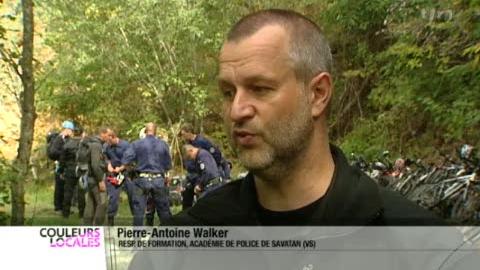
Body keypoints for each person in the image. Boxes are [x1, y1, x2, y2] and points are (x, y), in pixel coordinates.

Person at [167, 9, 442, 226]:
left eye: (260, 89)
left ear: (318, 94)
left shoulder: (422, 248)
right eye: (228, 92)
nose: (237, 110)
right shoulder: (183, 245)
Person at [117, 122, 172, 226]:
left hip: (141, 180)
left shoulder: (136, 144)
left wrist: (130, 167)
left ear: (145, 131)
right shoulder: (163, 144)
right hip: (158, 180)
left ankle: (137, 239)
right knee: (163, 210)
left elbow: (126, 160)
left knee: (138, 211)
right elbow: (168, 164)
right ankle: (168, 237)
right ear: (156, 131)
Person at [104, 129, 134, 226]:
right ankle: (110, 219)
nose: (107, 143)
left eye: (108, 140)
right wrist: (108, 165)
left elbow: (130, 159)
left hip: (126, 174)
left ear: (113, 137)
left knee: (132, 196)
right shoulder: (107, 146)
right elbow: (106, 157)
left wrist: (121, 168)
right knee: (113, 197)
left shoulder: (126, 145)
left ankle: (137, 219)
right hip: (114, 175)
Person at [82, 127, 109, 225]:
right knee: (102, 204)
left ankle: (87, 227)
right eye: (108, 135)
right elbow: (95, 165)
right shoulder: (97, 146)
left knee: (91, 203)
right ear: (102, 133)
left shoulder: (94, 144)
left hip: (91, 179)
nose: (108, 137)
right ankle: (98, 228)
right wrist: (100, 180)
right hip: (95, 179)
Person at [47, 120, 74, 212]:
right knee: (59, 186)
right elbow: (53, 152)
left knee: (65, 186)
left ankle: (64, 206)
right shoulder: (58, 139)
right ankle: (58, 206)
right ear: (66, 129)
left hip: (65, 165)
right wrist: (63, 154)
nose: (71, 132)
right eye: (71, 130)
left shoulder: (67, 139)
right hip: (59, 165)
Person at [60, 125, 86, 218]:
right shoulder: (85, 145)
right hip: (81, 170)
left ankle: (65, 213)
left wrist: (61, 171)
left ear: (74, 133)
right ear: (82, 134)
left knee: (68, 192)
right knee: (81, 192)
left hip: (70, 169)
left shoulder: (67, 144)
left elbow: (62, 160)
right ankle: (82, 213)